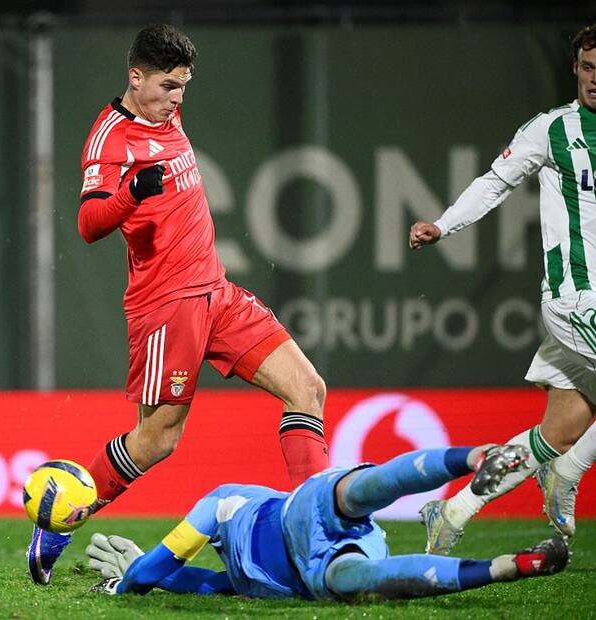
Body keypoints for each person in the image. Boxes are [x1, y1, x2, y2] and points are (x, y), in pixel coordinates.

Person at [28, 24, 328, 585]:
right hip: (167, 305)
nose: (177, 98)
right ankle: (63, 518)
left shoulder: (167, 113)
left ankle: (319, 532)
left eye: (184, 86)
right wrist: (130, 193)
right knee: (158, 439)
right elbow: (89, 223)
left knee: (308, 389)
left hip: (217, 291)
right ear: (135, 77)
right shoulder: (110, 139)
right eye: (167, 86)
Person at [409, 22, 596, 555]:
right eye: (587, 68)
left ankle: (452, 511)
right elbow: (496, 181)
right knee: (568, 451)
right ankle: (569, 473)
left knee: (560, 431)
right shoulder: (552, 129)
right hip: (576, 297)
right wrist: (444, 225)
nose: (595, 79)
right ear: (575, 69)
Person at [85, 444, 569, 600]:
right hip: (317, 550)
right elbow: (200, 581)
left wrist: (128, 581)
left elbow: (166, 561)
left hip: (301, 532)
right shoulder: (236, 575)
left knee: (367, 557)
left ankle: (499, 559)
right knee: (364, 494)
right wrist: (153, 573)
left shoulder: (219, 502)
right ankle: (478, 463)